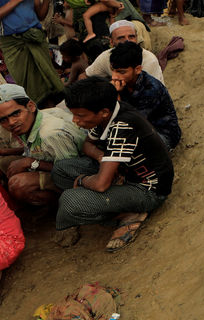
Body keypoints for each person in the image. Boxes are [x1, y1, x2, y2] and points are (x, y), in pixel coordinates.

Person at [52, 77, 174, 252]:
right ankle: (116, 202)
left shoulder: (122, 125)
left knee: (70, 201)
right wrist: (103, 159)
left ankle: (129, 213)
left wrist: (82, 180)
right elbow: (87, 145)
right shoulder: (107, 115)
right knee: (61, 169)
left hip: (148, 189)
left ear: (103, 111)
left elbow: (101, 185)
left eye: (80, 115)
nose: (75, 121)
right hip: (124, 172)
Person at [0, 84, 85, 206]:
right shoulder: (31, 120)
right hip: (62, 165)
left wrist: (31, 163)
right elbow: (36, 147)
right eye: (3, 120)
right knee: (6, 162)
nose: (11, 123)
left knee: (18, 184)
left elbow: (71, 170)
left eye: (16, 114)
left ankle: (70, 204)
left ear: (31, 106)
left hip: (81, 175)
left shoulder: (50, 134)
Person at [0, 0, 63, 105]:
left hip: (36, 39)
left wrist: (47, 0)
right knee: (29, 92)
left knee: (51, 89)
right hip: (14, 44)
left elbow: (40, 15)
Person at [109, 42, 181, 151]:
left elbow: (133, 123)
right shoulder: (123, 83)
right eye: (113, 70)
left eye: (121, 72)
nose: (114, 76)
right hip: (139, 128)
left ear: (137, 69)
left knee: (126, 149)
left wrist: (116, 96)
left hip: (162, 135)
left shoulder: (151, 89)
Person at [84, 20, 164, 82]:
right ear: (111, 42)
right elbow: (85, 76)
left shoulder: (148, 60)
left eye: (131, 37)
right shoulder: (106, 56)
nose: (127, 41)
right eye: (121, 38)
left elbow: (146, 93)